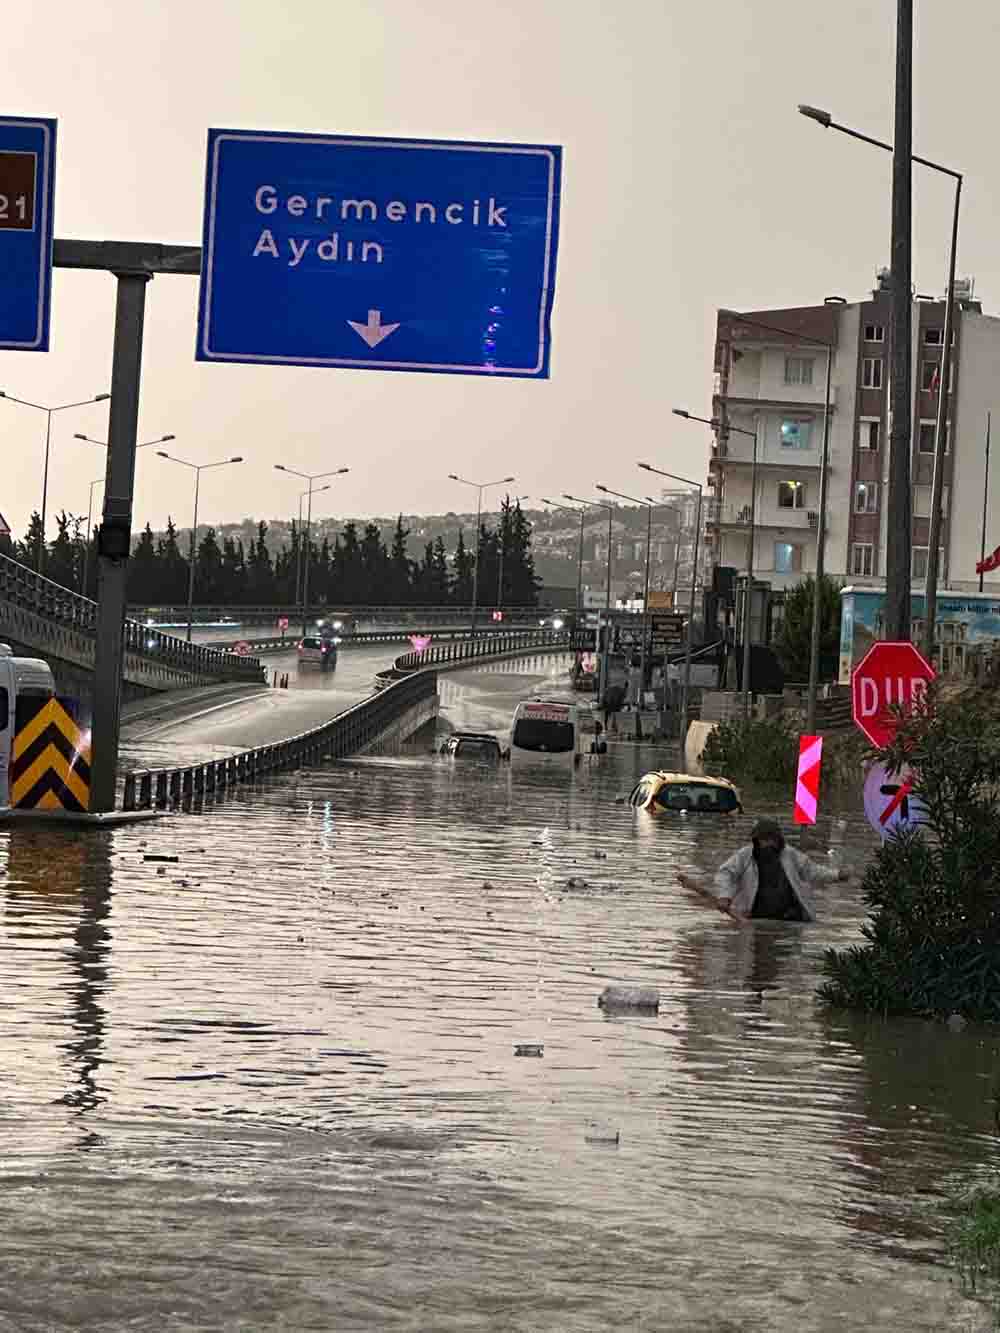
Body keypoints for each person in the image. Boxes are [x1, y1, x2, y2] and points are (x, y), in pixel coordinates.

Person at [713, 818, 848, 923]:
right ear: (756, 840)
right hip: (754, 917)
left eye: (770, 839)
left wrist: (837, 875)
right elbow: (725, 873)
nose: (766, 843)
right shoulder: (745, 855)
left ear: (777, 839)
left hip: (789, 918)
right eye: (762, 839)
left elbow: (813, 872)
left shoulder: (791, 855)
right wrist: (725, 896)